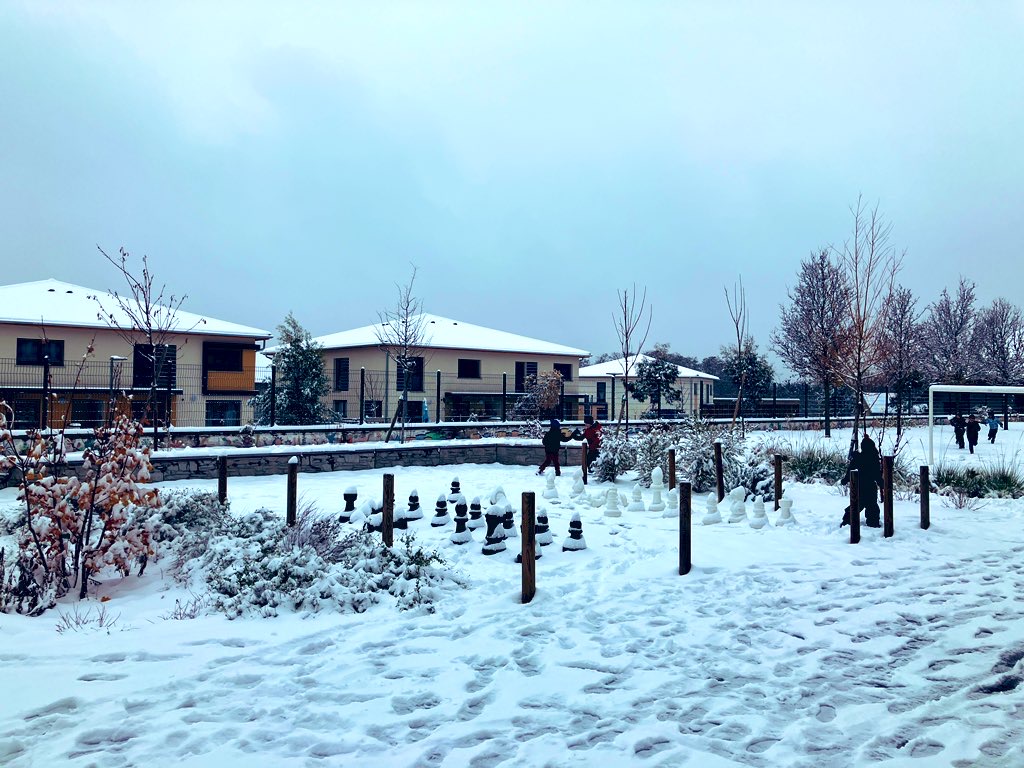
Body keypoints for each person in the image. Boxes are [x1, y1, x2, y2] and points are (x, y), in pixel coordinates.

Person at [841, 434, 883, 528]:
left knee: (858, 504)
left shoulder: (858, 457)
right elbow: (877, 474)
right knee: (871, 505)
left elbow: (850, 470)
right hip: (870, 485)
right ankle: (873, 522)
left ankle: (847, 519)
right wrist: (881, 483)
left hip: (859, 485)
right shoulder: (874, 458)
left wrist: (846, 479)